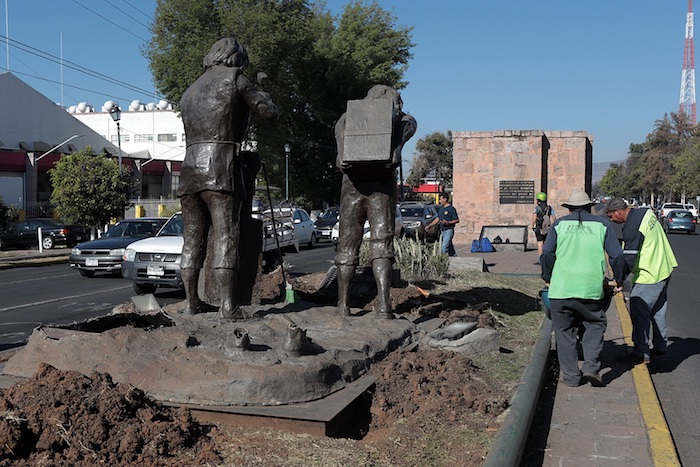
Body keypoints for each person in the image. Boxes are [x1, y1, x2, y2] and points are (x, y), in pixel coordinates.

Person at [177, 37, 279, 317]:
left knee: (192, 238)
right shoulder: (236, 79)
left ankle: (190, 303)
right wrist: (267, 96)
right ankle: (228, 305)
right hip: (220, 168)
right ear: (236, 57)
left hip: (189, 169)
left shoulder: (190, 90)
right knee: (226, 234)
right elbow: (268, 112)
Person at [334, 85, 417, 319]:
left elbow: (339, 127)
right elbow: (409, 124)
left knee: (347, 244)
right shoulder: (400, 118)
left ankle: (343, 305)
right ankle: (383, 305)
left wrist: (340, 153)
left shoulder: (350, 116)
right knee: (381, 244)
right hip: (380, 187)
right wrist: (397, 149)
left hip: (352, 185)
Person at [541, 189, 626, 387]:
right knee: (595, 325)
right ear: (590, 207)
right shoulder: (603, 224)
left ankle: (571, 377)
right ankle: (591, 368)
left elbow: (546, 254)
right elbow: (617, 256)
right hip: (591, 289)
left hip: (561, 289)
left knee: (564, 333)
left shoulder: (559, 224)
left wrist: (547, 276)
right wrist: (619, 278)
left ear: (569, 208)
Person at [605, 197, 678, 365]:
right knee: (658, 311)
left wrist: (619, 279)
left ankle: (640, 352)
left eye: (611, 216)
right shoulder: (644, 213)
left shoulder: (632, 228)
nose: (611, 220)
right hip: (664, 266)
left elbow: (629, 259)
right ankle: (660, 349)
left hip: (649, 274)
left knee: (639, 311)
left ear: (618, 212)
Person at [532, 191, 556, 264]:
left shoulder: (537, 208)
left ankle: (540, 260)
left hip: (539, 228)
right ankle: (547, 259)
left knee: (540, 243)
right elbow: (554, 218)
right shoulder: (550, 208)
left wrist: (532, 225)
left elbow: (534, 218)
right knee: (546, 243)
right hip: (547, 228)